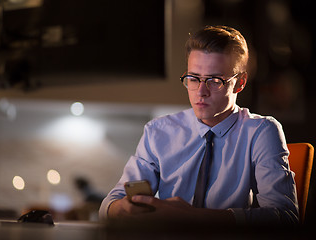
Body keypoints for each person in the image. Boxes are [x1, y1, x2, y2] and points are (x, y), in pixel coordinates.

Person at [99, 25, 298, 225]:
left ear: (240, 83)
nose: (201, 91)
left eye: (214, 80)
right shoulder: (158, 131)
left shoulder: (261, 132)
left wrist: (193, 218)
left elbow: (286, 217)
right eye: (193, 78)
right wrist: (121, 208)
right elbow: (109, 205)